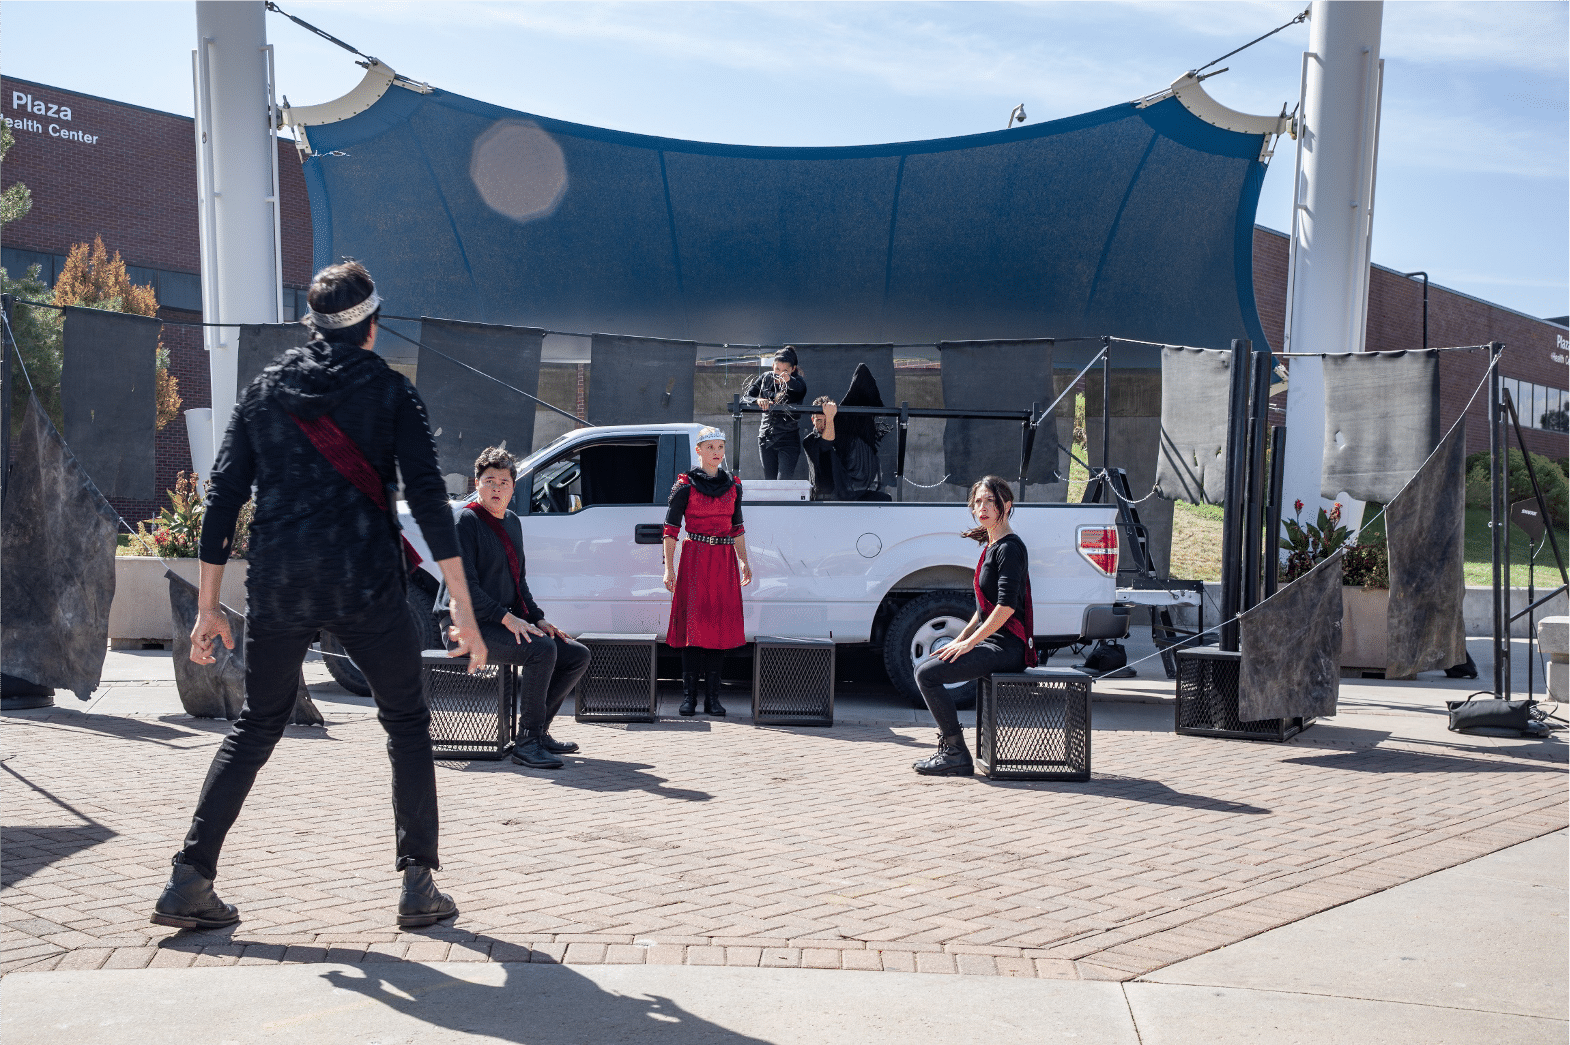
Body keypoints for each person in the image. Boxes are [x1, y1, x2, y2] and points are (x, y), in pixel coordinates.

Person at [152, 261, 487, 932]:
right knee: (406, 723)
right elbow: (428, 498)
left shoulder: (266, 390)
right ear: (372, 324)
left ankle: (190, 877)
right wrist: (463, 607)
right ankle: (418, 886)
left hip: (282, 586)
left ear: (312, 324)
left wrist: (211, 606)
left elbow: (222, 497)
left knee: (256, 725)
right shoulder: (391, 392)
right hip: (367, 586)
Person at [437, 447, 592, 770]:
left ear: (513, 487)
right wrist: (508, 618)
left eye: (503, 482)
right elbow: (464, 588)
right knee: (541, 651)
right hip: (465, 627)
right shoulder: (464, 522)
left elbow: (519, 582)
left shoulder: (512, 522)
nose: (496, 488)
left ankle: (538, 731)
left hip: (496, 621)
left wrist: (538, 618)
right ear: (476, 484)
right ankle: (526, 743)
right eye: (489, 481)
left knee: (575, 653)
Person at [911, 475, 1036, 776]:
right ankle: (954, 750)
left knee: (927, 675)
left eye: (990, 501)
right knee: (926, 668)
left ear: (1007, 505)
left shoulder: (1009, 548)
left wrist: (969, 644)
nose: (982, 507)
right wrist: (961, 638)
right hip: (994, 642)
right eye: (978, 501)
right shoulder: (992, 545)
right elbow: (984, 610)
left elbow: (1006, 608)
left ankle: (955, 753)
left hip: (1008, 647)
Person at [662, 427, 752, 716]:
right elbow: (670, 530)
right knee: (693, 629)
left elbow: (737, 527)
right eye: (710, 446)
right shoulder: (685, 486)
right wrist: (669, 568)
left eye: (720, 447)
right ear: (699, 450)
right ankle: (689, 697)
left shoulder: (733, 486)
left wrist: (743, 561)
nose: (716, 452)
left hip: (724, 559)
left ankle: (713, 698)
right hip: (695, 558)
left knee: (718, 628)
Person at [740, 347, 807, 480]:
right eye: (777, 369)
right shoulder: (766, 377)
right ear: (772, 366)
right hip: (766, 437)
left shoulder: (798, 382)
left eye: (785, 370)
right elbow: (745, 398)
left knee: (783, 482)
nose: (779, 374)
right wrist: (758, 400)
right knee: (769, 482)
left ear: (793, 369)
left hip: (788, 438)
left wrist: (788, 380)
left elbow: (800, 389)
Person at [800, 395, 839, 499]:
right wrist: (830, 417)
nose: (823, 425)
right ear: (812, 420)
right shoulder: (808, 441)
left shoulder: (840, 437)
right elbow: (826, 444)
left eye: (826, 420)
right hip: (820, 499)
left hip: (843, 495)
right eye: (819, 420)